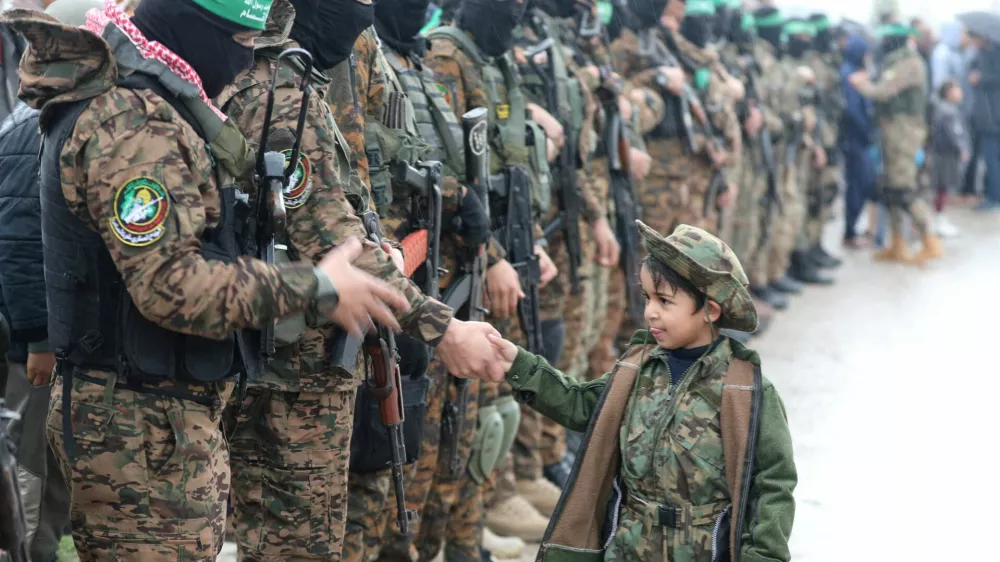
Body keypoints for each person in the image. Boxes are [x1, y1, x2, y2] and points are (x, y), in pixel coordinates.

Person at [5, 0, 424, 557]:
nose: (243, 61)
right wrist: (316, 286)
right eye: (239, 42)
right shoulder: (132, 122)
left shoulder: (157, 105)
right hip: (136, 425)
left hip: (162, 417)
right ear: (190, 24)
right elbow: (171, 285)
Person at [481, 221, 797, 562]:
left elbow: (773, 483)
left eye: (664, 300)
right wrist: (519, 366)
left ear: (711, 310)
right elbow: (580, 403)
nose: (650, 312)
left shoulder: (744, 390)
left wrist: (764, 554)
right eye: (647, 297)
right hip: (628, 547)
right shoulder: (637, 369)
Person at [0, 2, 99, 557]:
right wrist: (40, 341)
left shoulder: (43, 117)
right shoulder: (40, 128)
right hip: (33, 350)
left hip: (51, 342)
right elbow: (17, 246)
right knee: (30, 484)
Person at [850, 22, 942, 263]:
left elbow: (883, 91)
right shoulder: (894, 61)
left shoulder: (910, 63)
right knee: (890, 189)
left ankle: (929, 240)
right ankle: (898, 244)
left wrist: (861, 84)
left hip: (904, 134)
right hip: (890, 133)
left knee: (904, 190)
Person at [840, 33, 877, 248]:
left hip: (860, 140)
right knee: (857, 186)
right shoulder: (849, 75)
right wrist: (866, 131)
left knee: (861, 184)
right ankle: (849, 232)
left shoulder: (855, 72)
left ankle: (851, 230)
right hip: (855, 140)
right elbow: (853, 111)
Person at [929, 79, 969, 236]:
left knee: (943, 188)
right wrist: (961, 148)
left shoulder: (946, 109)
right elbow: (952, 133)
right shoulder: (946, 111)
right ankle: (939, 221)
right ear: (948, 92)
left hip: (944, 154)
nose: (960, 92)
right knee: (942, 188)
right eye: (957, 89)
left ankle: (941, 219)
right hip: (944, 154)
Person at [967, 31, 1000, 211]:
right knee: (991, 159)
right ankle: (992, 194)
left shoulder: (995, 54)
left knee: (991, 158)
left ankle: (994, 198)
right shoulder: (977, 56)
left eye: (974, 38)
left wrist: (981, 78)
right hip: (985, 115)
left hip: (992, 116)